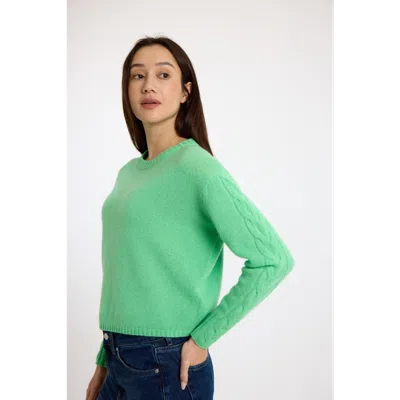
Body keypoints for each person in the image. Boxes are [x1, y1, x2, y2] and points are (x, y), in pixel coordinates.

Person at [86, 35, 295, 400]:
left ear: (186, 91)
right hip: (117, 357)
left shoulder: (199, 169)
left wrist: (202, 339)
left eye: (163, 75)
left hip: (167, 362)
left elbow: (273, 260)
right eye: (138, 76)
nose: (148, 85)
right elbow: (128, 271)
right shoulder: (129, 173)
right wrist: (104, 361)